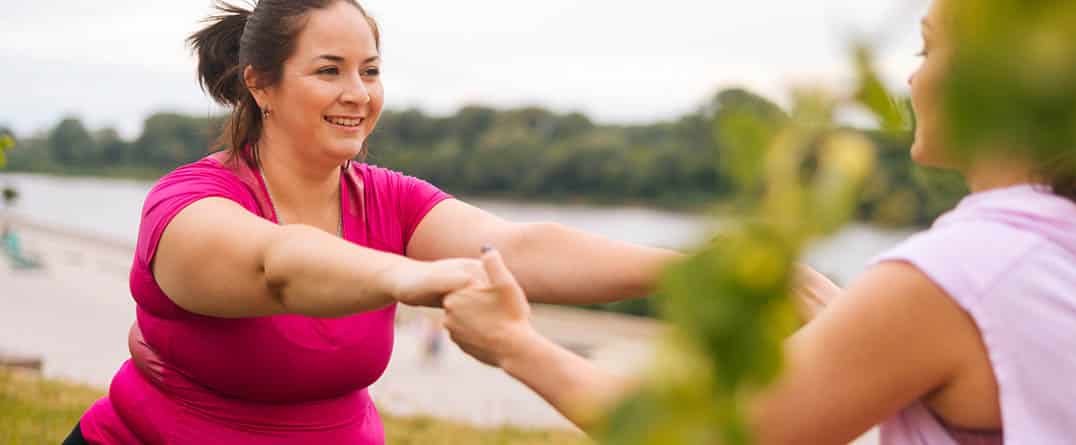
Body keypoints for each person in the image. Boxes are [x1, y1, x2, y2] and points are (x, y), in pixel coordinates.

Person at [441, 0, 1076, 443]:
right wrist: (844, 309)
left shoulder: (972, 268)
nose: (910, 75)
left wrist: (515, 343)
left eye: (928, 47)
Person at [68, 1, 688, 443]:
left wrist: (700, 271)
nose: (359, 94)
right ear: (261, 84)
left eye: (370, 70)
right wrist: (410, 278)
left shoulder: (388, 199)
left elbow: (526, 247)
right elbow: (277, 265)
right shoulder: (189, 203)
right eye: (329, 69)